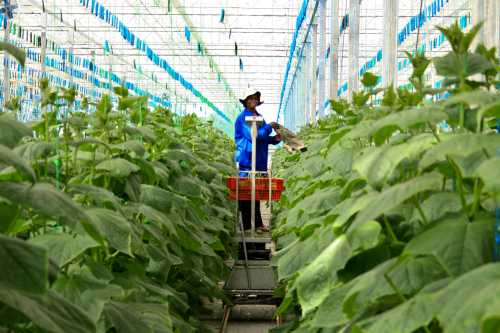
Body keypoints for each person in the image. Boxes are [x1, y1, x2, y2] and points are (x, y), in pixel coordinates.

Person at [234, 91, 281, 232]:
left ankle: (258, 223)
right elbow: (253, 136)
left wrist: (274, 139)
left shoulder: (259, 117)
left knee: (256, 194)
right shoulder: (242, 118)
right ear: (246, 101)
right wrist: (269, 126)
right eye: (251, 98)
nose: (254, 100)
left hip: (259, 161)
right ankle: (247, 226)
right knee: (245, 194)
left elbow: (263, 138)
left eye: (256, 98)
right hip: (247, 161)